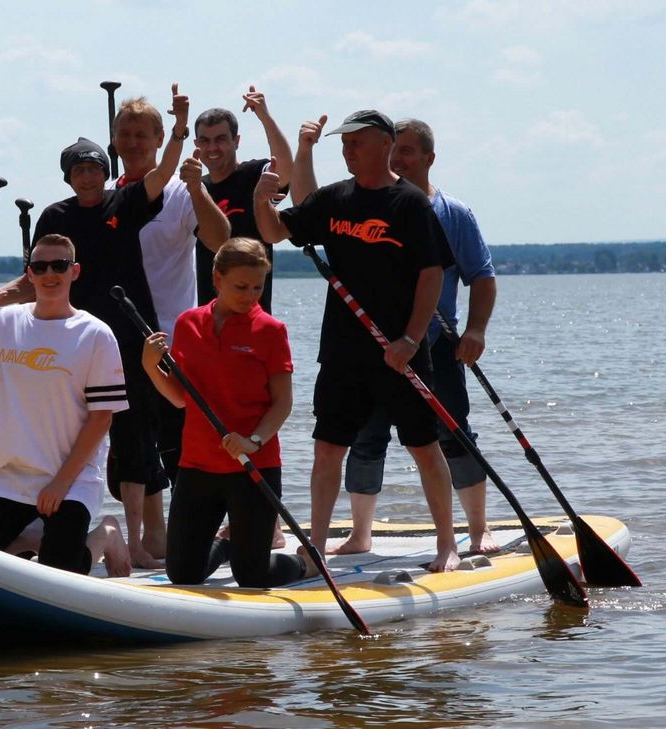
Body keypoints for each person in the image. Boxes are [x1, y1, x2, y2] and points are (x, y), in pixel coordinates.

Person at [0, 90, 190, 569]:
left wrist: (178, 129)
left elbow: (161, 174)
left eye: (95, 167)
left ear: (105, 170)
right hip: (73, 344)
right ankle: (61, 525)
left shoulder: (125, 201)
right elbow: (34, 279)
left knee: (137, 439)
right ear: (68, 177)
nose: (89, 176)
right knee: (76, 437)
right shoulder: (56, 217)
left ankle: (133, 541)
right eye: (79, 170)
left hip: (130, 339)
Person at [254, 109, 461, 573]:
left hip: (401, 352)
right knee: (328, 449)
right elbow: (273, 232)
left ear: (385, 144)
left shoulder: (409, 203)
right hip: (344, 351)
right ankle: (317, 545)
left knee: (424, 447)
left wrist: (410, 337)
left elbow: (432, 274)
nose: (347, 151)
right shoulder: (335, 199)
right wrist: (262, 199)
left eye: (356, 143)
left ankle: (447, 545)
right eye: (343, 145)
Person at [335, 119, 500, 555]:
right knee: (367, 437)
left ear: (430, 157)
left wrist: (476, 330)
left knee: (454, 434)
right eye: (394, 150)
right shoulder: (369, 206)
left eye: (408, 151)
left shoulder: (454, 213)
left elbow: (481, 277)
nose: (398, 159)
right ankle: (359, 534)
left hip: (435, 343)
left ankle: (479, 528)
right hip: (373, 346)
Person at [0, 234, 128, 574]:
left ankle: (104, 535)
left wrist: (61, 483)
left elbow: (101, 419)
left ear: (74, 271)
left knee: (61, 571)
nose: (49, 274)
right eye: (39, 266)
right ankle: (30, 538)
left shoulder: (95, 334)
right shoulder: (6, 322)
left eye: (59, 266)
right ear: (29, 275)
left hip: (71, 479)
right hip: (7, 478)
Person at [140, 238, 311, 587]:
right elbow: (179, 399)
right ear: (217, 279)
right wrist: (149, 366)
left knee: (252, 577)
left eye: (258, 287)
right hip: (198, 465)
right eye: (241, 287)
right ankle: (227, 543)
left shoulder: (270, 330)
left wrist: (254, 441)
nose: (251, 295)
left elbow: (283, 403)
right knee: (183, 574)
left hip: (252, 465)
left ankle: (302, 563)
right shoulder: (188, 324)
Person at [113, 93, 231, 552]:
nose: (134, 141)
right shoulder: (110, 194)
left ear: (161, 139)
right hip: (123, 335)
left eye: (144, 134)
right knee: (134, 438)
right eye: (125, 133)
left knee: (185, 438)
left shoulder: (181, 192)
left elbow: (221, 241)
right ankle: (153, 537)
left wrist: (198, 187)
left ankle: (195, 529)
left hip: (174, 336)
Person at [194, 86, 295, 313]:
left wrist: (264, 117)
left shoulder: (253, 174)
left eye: (220, 139)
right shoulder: (196, 189)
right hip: (209, 315)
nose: (212, 148)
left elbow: (286, 170)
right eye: (205, 141)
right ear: (196, 145)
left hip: (254, 313)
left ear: (236, 141)